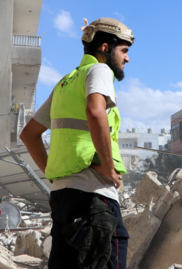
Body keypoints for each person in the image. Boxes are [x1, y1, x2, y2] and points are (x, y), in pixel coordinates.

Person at [20, 17, 134, 269]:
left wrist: (53, 174)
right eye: (124, 51)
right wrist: (108, 168)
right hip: (94, 197)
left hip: (62, 199)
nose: (127, 59)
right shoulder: (100, 71)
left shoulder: (65, 83)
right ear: (105, 48)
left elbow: (29, 134)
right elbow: (95, 112)